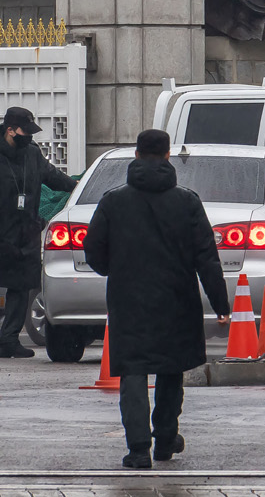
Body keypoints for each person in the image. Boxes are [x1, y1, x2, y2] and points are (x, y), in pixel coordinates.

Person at [82, 129, 231, 469]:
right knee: (170, 368)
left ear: (136, 155)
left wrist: (113, 269)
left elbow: (93, 249)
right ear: (167, 156)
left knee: (132, 371)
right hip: (177, 299)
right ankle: (165, 440)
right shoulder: (188, 201)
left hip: (128, 299)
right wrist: (221, 304)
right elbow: (206, 257)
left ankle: (138, 449)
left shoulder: (113, 200)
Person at [0, 106, 77, 358]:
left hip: (25, 232)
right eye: (24, 132)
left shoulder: (32, 155)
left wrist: (77, 186)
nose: (29, 137)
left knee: (22, 285)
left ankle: (9, 340)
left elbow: (53, 176)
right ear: (10, 130)